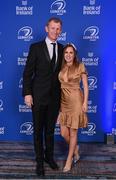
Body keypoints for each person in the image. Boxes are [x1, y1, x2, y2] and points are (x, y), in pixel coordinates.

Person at [22, 17, 63, 177]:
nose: (55, 31)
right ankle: (39, 161)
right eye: (52, 28)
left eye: (58, 28)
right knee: (38, 131)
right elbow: (27, 73)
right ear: (47, 28)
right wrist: (27, 93)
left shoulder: (62, 48)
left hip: (54, 98)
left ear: (61, 30)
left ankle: (49, 157)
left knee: (50, 131)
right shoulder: (36, 48)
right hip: (38, 97)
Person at [58, 43, 89, 172]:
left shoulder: (80, 65)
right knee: (63, 133)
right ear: (63, 54)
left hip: (76, 100)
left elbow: (86, 86)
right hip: (63, 101)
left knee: (73, 132)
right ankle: (75, 149)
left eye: (71, 53)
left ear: (74, 54)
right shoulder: (60, 66)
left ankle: (69, 159)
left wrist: (85, 102)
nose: (68, 55)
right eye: (66, 52)